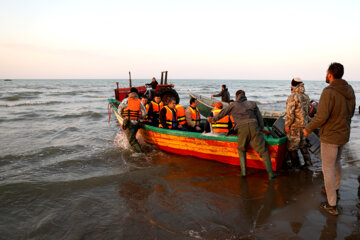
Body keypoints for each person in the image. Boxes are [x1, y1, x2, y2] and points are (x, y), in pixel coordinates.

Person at [303, 62, 355, 216]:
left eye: (326, 73)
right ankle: (335, 188)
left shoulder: (328, 91)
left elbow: (321, 116)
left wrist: (308, 128)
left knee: (327, 170)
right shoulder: (350, 89)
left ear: (331, 74)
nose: (325, 75)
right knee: (336, 162)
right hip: (343, 135)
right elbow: (351, 112)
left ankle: (331, 204)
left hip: (330, 137)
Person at [208, 90, 277, 180]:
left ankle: (244, 173)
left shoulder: (232, 105)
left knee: (241, 149)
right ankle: (271, 174)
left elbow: (222, 113)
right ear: (244, 95)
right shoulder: (252, 104)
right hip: (254, 127)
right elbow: (260, 119)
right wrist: (260, 130)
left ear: (236, 97)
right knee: (263, 151)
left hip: (241, 129)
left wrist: (212, 119)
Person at [285, 77, 312, 168]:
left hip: (295, 126)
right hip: (304, 125)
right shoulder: (306, 96)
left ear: (292, 85)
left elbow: (290, 113)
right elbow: (308, 112)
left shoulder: (293, 96)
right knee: (303, 145)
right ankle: (308, 163)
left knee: (292, 147)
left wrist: (287, 125)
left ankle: (296, 166)